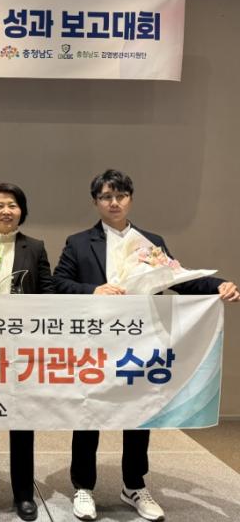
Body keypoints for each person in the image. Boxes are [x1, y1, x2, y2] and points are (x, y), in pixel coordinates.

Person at [53, 169, 239, 522]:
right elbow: (58, 283)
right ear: (95, 202)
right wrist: (93, 290)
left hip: (139, 343)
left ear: (130, 199)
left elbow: (178, 279)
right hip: (95, 343)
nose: (114, 202)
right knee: (87, 412)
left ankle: (134, 485)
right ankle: (84, 486)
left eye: (120, 195)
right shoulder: (78, 242)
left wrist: (218, 285)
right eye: (106, 196)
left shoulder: (150, 242)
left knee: (140, 413)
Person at [0, 183, 55, 522]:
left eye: (13, 205)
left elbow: (47, 293)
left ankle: (24, 495)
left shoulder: (35, 247)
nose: (6, 210)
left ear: (22, 211)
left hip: (22, 348)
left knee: (22, 421)